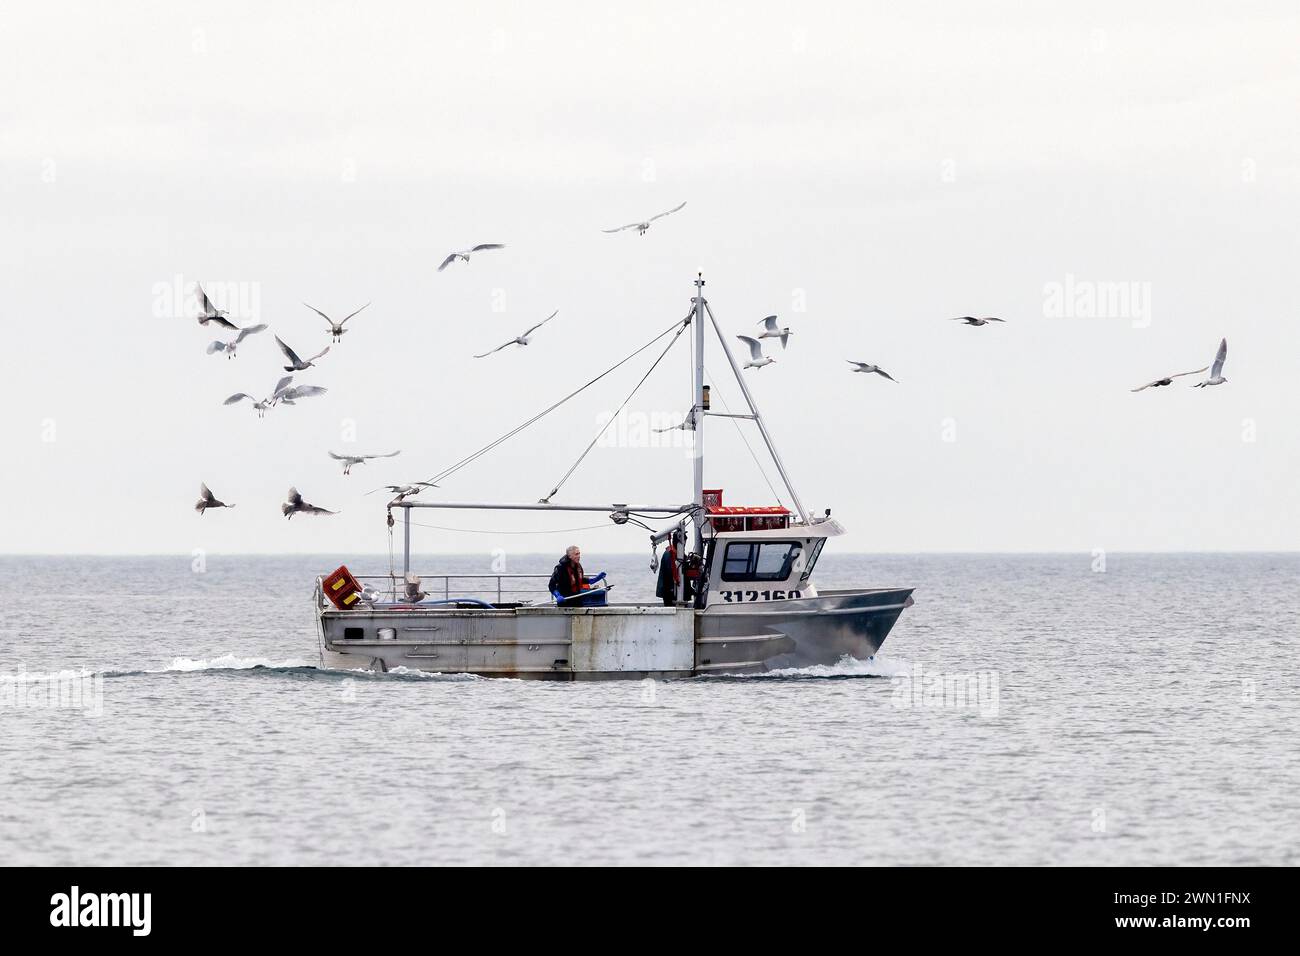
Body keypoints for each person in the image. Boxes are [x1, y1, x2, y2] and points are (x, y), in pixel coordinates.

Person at [655, 531, 681, 606]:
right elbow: (671, 571)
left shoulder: (674, 553)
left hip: (671, 590)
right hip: (669, 591)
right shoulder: (669, 554)